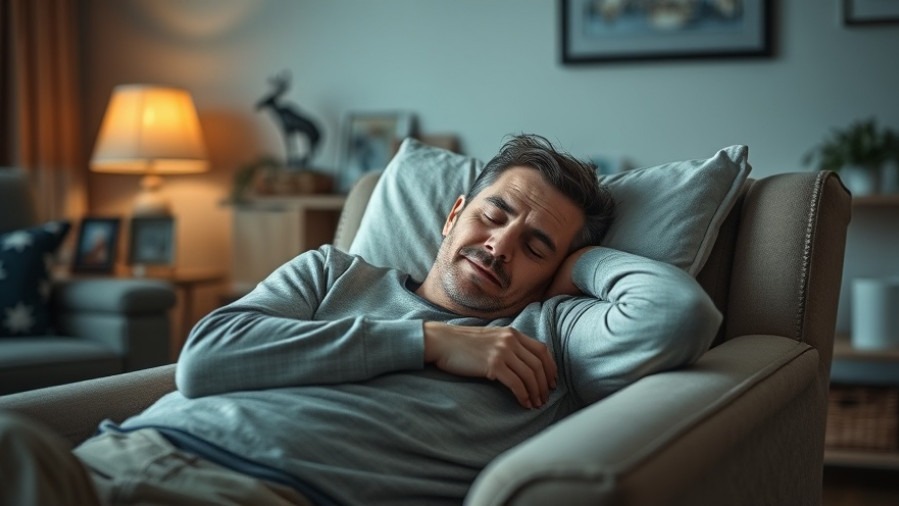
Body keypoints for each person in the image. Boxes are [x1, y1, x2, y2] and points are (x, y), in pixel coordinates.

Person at [0, 134, 721, 505]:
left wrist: (580, 267)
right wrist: (426, 343)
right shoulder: (331, 271)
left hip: (247, 494)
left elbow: (677, 315)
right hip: (108, 456)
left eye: (534, 245)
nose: (500, 244)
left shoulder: (547, 337)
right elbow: (206, 359)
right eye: (493, 216)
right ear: (451, 218)